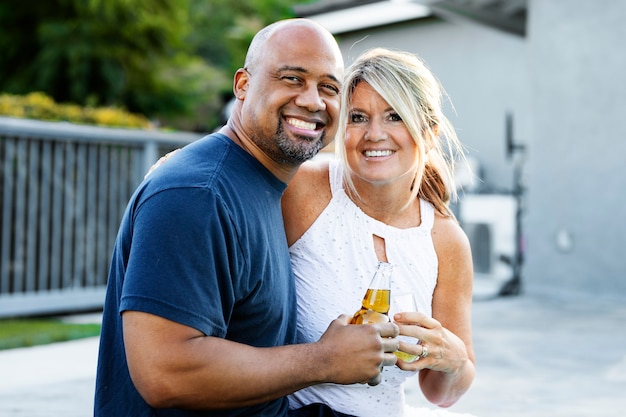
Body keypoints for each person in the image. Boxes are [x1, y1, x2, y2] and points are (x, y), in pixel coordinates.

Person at [94, 20, 400, 417]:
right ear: (242, 85)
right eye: (292, 78)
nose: (312, 101)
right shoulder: (198, 195)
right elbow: (166, 373)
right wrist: (323, 360)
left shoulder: (261, 184)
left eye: (329, 87)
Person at [282, 48, 476, 417]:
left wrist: (454, 360)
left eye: (394, 116)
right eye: (358, 117)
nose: (374, 134)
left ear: (429, 132)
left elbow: (441, 393)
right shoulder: (303, 190)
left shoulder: (447, 241)